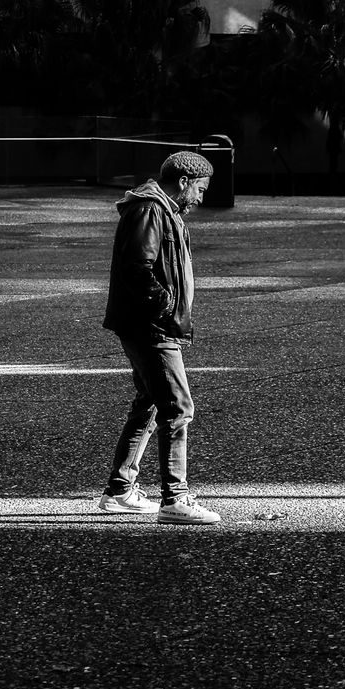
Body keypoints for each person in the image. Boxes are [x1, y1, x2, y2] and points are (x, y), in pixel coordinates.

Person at [95, 150, 221, 526]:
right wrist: (165, 308)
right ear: (183, 182)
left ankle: (120, 489)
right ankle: (175, 498)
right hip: (149, 325)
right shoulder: (151, 209)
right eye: (200, 188)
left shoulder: (162, 209)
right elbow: (139, 267)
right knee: (178, 407)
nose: (201, 197)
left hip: (145, 321)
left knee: (151, 401)